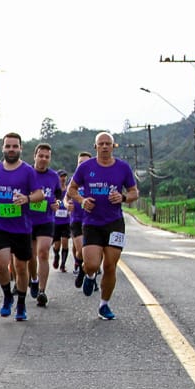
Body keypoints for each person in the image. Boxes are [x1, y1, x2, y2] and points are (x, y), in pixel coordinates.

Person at [66, 132, 140, 320]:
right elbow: (71, 189)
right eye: (101, 144)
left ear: (113, 146)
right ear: (96, 147)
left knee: (110, 266)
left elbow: (134, 192)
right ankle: (89, 276)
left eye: (108, 144)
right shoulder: (86, 167)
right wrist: (82, 201)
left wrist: (122, 197)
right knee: (91, 264)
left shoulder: (123, 168)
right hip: (92, 222)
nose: (105, 147)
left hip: (114, 222)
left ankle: (104, 305)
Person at [0, 132, 43, 322]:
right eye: (8, 146)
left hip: (22, 227)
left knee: (21, 268)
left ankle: (21, 304)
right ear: (3, 148)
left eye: (15, 146)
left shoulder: (28, 171)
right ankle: (7, 296)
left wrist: (27, 198)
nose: (11, 149)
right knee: (1, 263)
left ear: (21, 148)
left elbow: (40, 194)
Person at [25, 143, 61, 308]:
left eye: (47, 157)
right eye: (41, 156)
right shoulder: (26, 173)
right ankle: (33, 279)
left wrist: (57, 203)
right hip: (28, 220)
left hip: (46, 221)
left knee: (43, 253)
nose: (43, 159)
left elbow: (58, 196)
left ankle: (42, 291)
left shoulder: (53, 176)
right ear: (35, 156)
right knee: (31, 256)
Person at [69, 151, 92, 290]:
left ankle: (87, 273)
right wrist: (66, 204)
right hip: (76, 220)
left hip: (92, 220)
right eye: (80, 163)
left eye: (86, 163)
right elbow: (65, 197)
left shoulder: (95, 179)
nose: (82, 165)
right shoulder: (74, 180)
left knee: (91, 253)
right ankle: (81, 267)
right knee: (81, 251)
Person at [51, 170, 72, 272]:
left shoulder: (69, 190)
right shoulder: (55, 190)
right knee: (57, 245)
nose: (63, 179)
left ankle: (63, 265)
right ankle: (56, 256)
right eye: (61, 176)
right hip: (55, 222)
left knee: (65, 242)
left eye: (64, 176)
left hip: (66, 221)